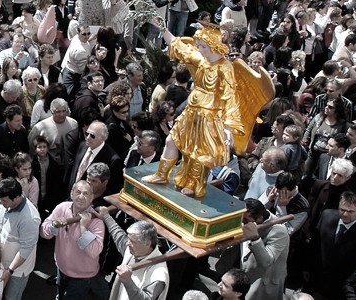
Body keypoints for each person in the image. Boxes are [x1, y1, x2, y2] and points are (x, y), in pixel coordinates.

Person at [143, 21, 270, 198]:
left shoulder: (225, 68)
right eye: (199, 46)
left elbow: (230, 98)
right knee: (171, 140)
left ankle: (194, 184)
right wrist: (163, 29)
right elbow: (179, 46)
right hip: (191, 111)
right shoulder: (201, 59)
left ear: (212, 45)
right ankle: (162, 174)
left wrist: (228, 130)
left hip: (209, 117)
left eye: (202, 46)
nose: (199, 49)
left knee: (200, 155)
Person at [40, 180, 107, 299]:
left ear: (92, 198)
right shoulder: (61, 208)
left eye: (86, 194)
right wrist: (54, 226)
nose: (81, 197)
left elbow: (93, 251)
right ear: (72, 194)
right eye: (78, 192)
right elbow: (44, 232)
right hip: (61, 269)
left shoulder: (96, 222)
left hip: (82, 277)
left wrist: (83, 227)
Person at [310, 192, 356, 299]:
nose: (345, 214)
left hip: (342, 289)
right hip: (317, 280)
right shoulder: (326, 216)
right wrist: (307, 268)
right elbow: (315, 245)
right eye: (342, 210)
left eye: (350, 211)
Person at [96, 207, 169, 300]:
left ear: (147, 244)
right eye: (129, 238)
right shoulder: (132, 249)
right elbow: (118, 234)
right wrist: (106, 216)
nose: (127, 243)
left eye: (132, 241)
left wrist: (127, 281)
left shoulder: (159, 273)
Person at [0, 178, 40, 300]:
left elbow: (25, 249)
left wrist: (10, 271)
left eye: (4, 201)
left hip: (17, 271)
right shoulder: (2, 201)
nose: (1, 203)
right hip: (0, 262)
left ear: (17, 198)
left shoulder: (30, 218)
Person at [238, 198, 290, 299]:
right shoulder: (247, 221)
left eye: (246, 220)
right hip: (243, 276)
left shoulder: (279, 232)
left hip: (262, 285)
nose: (242, 223)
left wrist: (255, 238)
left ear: (260, 219)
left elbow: (267, 261)